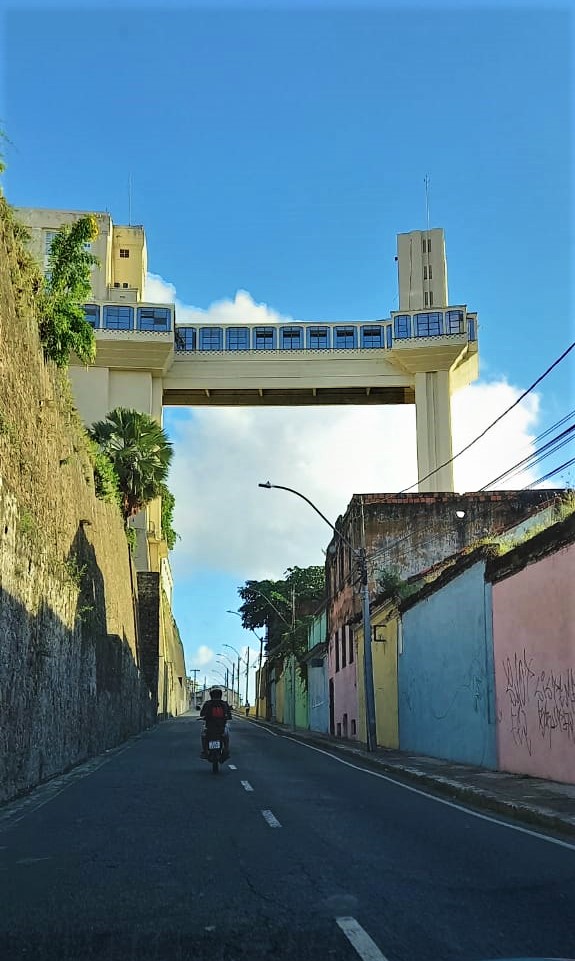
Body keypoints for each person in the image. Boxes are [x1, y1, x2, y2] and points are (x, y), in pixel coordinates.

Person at [200, 687, 232, 759]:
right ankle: (226, 751)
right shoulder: (224, 704)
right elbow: (229, 715)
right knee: (226, 736)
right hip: (221, 727)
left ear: (211, 695)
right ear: (220, 695)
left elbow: (202, 714)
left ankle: (205, 752)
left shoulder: (207, 703)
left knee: (203, 736)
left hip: (209, 727)